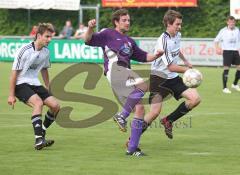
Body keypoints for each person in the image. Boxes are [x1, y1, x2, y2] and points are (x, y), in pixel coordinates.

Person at [82, 9, 163, 156]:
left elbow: (144, 56)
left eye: (129, 20)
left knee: (140, 109)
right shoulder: (107, 34)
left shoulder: (130, 42)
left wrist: (157, 55)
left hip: (124, 74)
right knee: (143, 85)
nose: (127, 23)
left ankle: (132, 149)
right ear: (116, 22)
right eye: (124, 20)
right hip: (115, 70)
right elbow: (87, 40)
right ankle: (122, 116)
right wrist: (90, 28)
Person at [143, 10, 201, 139]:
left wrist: (185, 61)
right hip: (159, 79)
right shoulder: (163, 41)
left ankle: (168, 120)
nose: (179, 27)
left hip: (172, 78)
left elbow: (176, 50)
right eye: (177, 24)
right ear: (169, 24)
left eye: (180, 24)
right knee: (154, 113)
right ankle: (132, 140)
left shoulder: (177, 35)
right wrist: (188, 71)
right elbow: (171, 67)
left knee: (195, 99)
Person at [8, 23, 60, 150]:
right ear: (38, 35)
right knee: (38, 103)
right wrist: (11, 95)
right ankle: (38, 140)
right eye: (47, 37)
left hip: (34, 83)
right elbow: (14, 73)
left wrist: (48, 86)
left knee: (56, 106)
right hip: (20, 83)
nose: (50, 40)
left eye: (51, 37)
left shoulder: (46, 52)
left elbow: (44, 69)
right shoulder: (24, 50)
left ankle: (42, 130)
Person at [214, 16, 240, 94]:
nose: (232, 23)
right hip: (227, 51)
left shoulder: (237, 30)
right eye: (230, 22)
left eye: (233, 22)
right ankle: (224, 87)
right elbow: (216, 41)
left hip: (235, 51)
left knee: (239, 68)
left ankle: (235, 84)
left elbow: (238, 41)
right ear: (227, 22)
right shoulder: (223, 31)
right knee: (226, 69)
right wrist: (217, 48)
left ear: (235, 22)